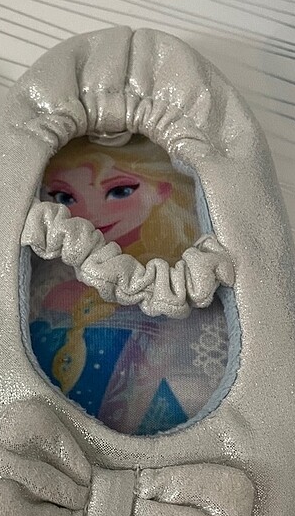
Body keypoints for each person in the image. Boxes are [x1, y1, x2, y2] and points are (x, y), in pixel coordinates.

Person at [29, 135, 228, 434]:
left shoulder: (185, 274)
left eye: (120, 191)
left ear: (162, 191)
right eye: (65, 198)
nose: (91, 212)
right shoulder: (56, 282)